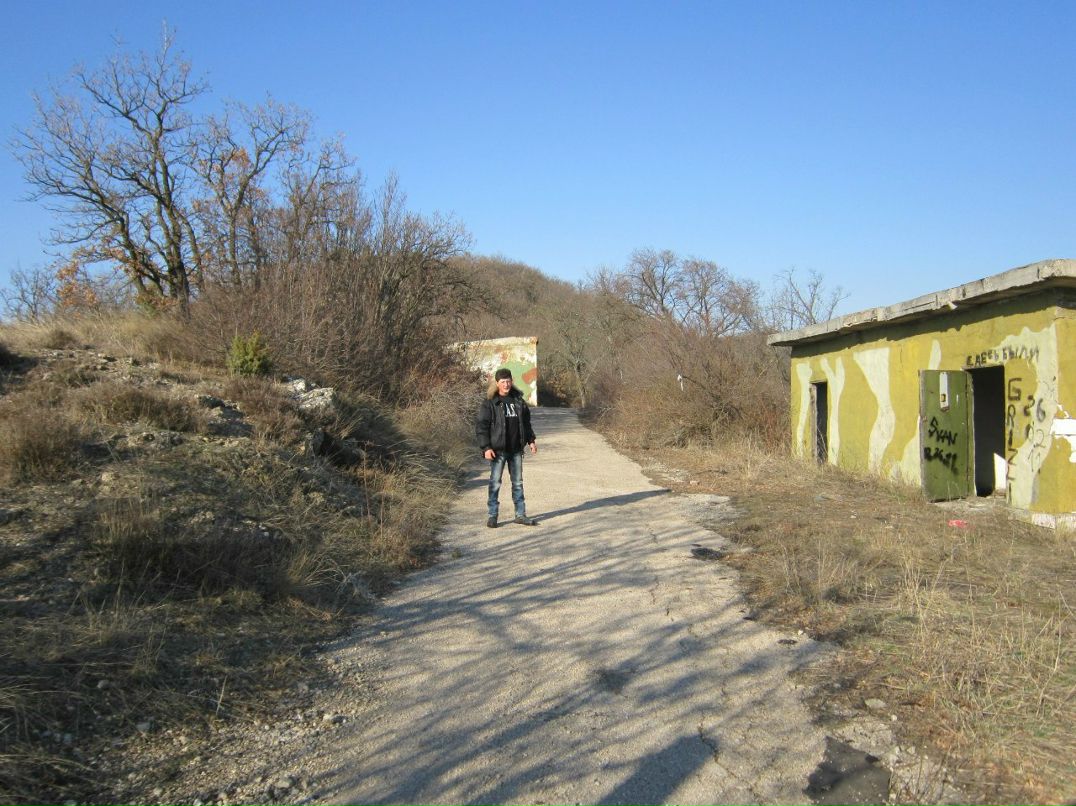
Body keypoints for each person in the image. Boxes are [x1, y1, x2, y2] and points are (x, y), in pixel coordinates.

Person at [475, 367, 538, 527]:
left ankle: (520, 514)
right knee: (495, 483)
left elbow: (526, 423)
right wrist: (486, 447)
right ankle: (493, 515)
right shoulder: (490, 403)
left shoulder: (518, 401)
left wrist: (531, 440)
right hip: (498, 451)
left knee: (517, 483)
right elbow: (482, 427)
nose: (506, 384)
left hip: (516, 450)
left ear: (512, 381)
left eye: (508, 381)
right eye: (503, 382)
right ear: (497, 383)